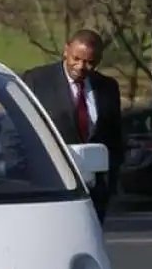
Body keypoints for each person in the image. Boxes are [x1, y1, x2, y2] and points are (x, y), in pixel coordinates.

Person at [21, 29, 123, 224]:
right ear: (66, 50)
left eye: (90, 62)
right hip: (49, 187)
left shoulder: (108, 87)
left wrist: (110, 182)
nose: (81, 66)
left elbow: (114, 138)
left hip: (93, 192)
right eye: (76, 58)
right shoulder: (37, 81)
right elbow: (15, 134)